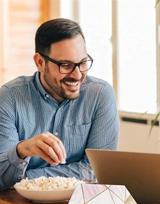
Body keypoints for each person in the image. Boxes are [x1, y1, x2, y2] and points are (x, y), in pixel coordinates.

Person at [0, 18, 119, 190]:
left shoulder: (100, 95)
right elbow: (1, 177)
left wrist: (27, 178)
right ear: (40, 62)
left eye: (83, 63)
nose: (78, 75)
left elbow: (99, 171)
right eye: (66, 65)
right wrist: (22, 150)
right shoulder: (9, 98)